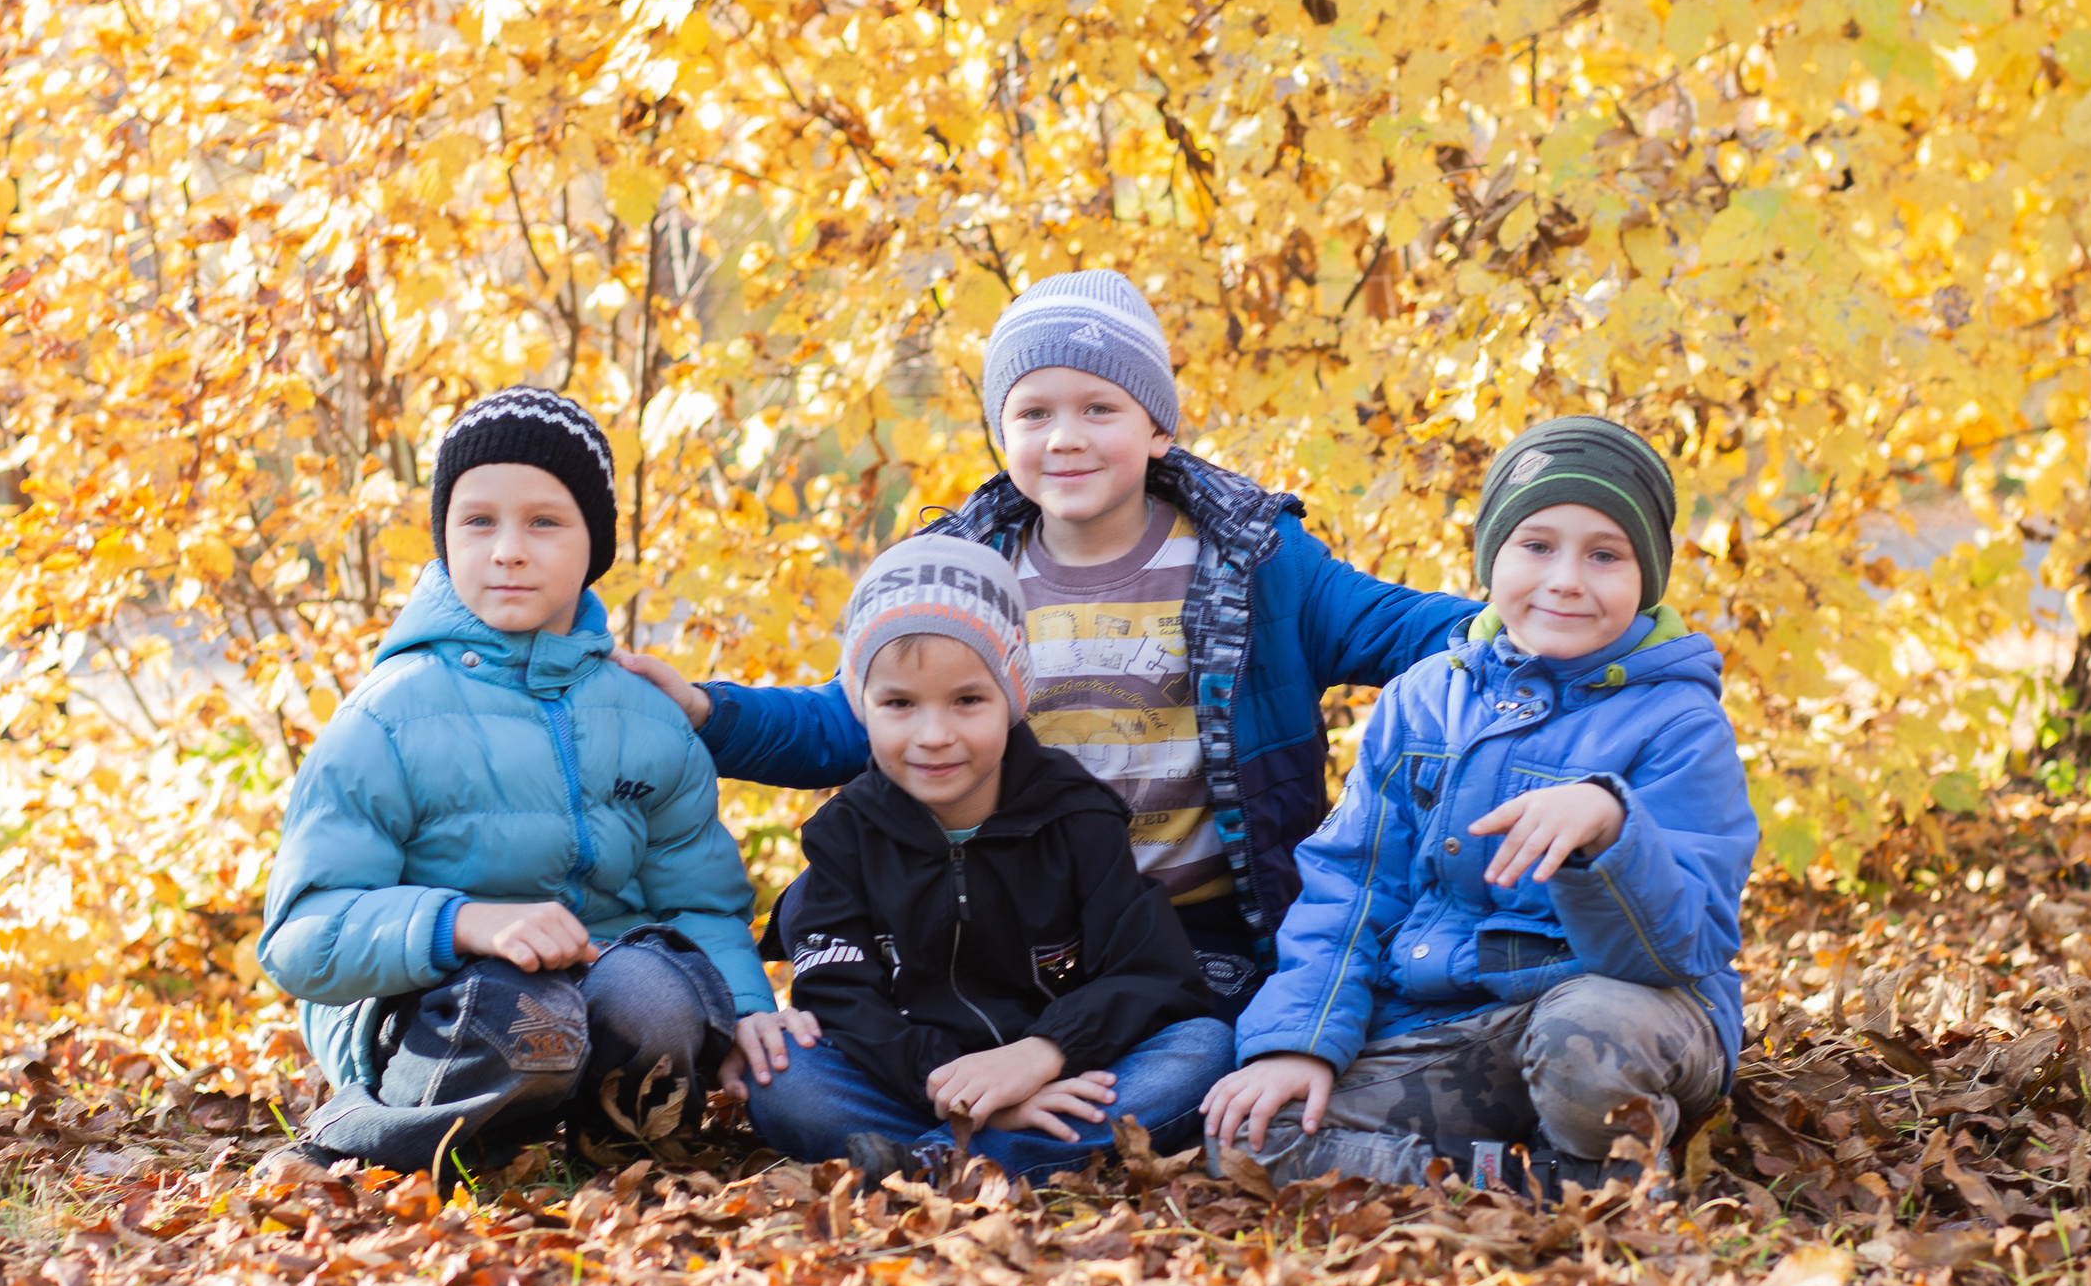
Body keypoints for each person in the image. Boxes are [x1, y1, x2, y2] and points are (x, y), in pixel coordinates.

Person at [622, 270, 1482, 1013]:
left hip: (1198, 926)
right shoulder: (966, 571)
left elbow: (1428, 632)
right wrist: (707, 712)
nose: (1065, 436)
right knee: (841, 1075)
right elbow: (850, 720)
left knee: (1194, 1055)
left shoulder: (1258, 564)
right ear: (1004, 436)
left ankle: (1073, 1098)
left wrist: (1547, 621)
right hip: (1008, 925)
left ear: (1157, 428)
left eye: (1099, 407)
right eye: (1033, 412)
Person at [254, 387, 815, 1178]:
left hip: (597, 983)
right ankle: (371, 1138)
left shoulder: (648, 719)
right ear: (445, 538)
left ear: (596, 544)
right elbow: (301, 936)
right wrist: (463, 922)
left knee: (657, 994)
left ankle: (609, 1148)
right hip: (433, 1002)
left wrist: (748, 1007)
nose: (509, 550)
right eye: (479, 521)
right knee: (522, 1012)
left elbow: (699, 900)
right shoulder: (388, 717)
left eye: (544, 521)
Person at [1202, 416, 1756, 1196]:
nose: (1566, 579)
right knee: (1253, 1136)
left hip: (1629, 1018)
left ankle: (1603, 1160)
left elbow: (1680, 948)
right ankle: (1531, 1184)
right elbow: (1354, 887)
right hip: (1452, 1028)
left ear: (1648, 575)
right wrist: (1299, 1040)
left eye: (1605, 554)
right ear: (1491, 556)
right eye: (1537, 545)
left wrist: (1610, 829)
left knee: (1584, 1034)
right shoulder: (1422, 699)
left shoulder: (1678, 722)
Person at [742, 536, 1233, 1185]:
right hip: (913, 1079)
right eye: (899, 704)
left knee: (1202, 1047)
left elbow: (1152, 971)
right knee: (785, 1075)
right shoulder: (844, 835)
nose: (934, 735)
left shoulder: (1077, 815)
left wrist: (1042, 1054)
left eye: (968, 700)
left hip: (1060, 1071)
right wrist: (960, 1092)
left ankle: (932, 1162)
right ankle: (981, 1148)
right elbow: (842, 998)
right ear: (861, 704)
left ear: (1013, 695)